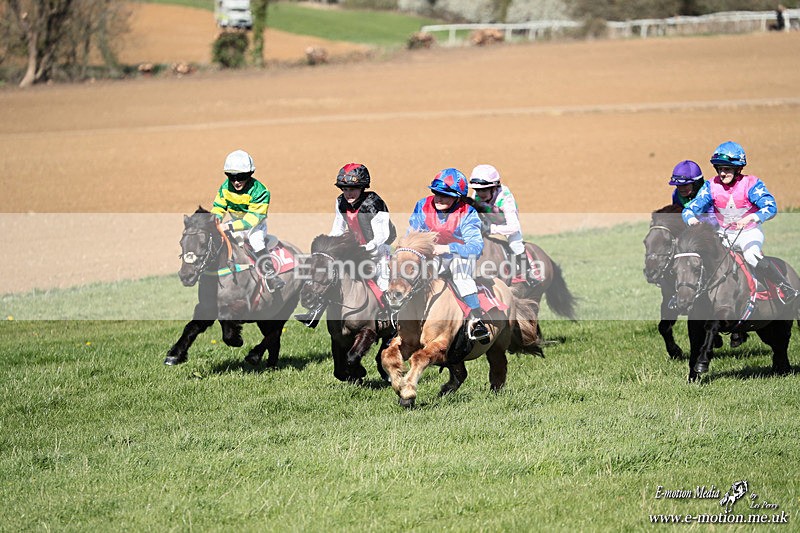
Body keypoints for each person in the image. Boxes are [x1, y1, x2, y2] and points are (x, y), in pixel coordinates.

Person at [682, 141, 797, 304]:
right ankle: (689, 296)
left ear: (738, 169)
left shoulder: (751, 184)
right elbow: (688, 210)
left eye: (727, 169)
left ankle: (784, 287)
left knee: (751, 256)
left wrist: (752, 217)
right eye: (719, 169)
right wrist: (693, 221)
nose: (722, 173)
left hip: (749, 233)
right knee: (702, 257)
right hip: (723, 234)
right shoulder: (711, 186)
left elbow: (771, 207)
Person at [409, 168, 490, 342]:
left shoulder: (467, 212)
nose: (438, 198)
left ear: (457, 197)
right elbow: (412, 235)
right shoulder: (422, 206)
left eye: (445, 195)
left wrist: (446, 249)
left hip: (459, 257)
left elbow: (476, 247)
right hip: (432, 257)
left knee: (460, 275)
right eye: (436, 193)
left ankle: (477, 320)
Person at [211, 149, 284, 291]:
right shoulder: (225, 188)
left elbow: (252, 219)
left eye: (241, 176)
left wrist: (229, 227)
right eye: (232, 177)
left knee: (256, 241)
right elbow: (219, 207)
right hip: (234, 223)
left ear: (250, 174)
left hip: (255, 226)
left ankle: (270, 275)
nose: (236, 181)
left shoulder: (261, 191)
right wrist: (216, 219)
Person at [329, 163, 396, 291]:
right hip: (357, 248)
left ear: (362, 188)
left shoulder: (374, 203)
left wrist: (368, 247)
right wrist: (329, 243)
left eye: (353, 189)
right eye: (345, 189)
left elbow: (381, 236)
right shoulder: (340, 202)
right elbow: (338, 229)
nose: (348, 193)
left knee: (382, 282)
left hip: (379, 250)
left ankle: (389, 307)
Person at [468, 164, 533, 284]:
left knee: (515, 244)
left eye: (484, 190)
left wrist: (490, 229)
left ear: (494, 187)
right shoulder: (476, 195)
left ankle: (529, 273)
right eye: (477, 190)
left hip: (506, 224)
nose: (480, 193)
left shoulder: (506, 199)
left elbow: (514, 227)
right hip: (488, 220)